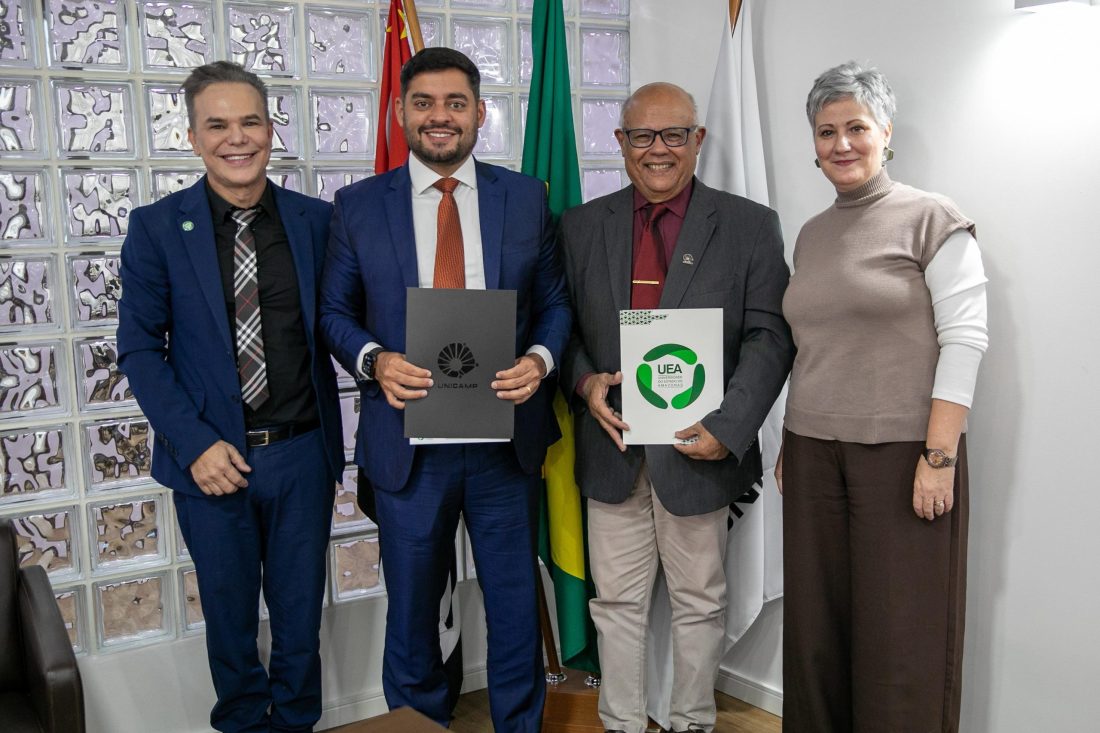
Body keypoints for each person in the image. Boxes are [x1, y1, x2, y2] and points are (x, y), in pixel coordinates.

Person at [319, 47, 570, 732]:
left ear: (479, 113)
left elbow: (554, 303)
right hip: (409, 445)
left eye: (456, 103)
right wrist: (375, 360)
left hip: (504, 443)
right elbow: (334, 312)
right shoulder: (358, 206)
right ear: (401, 112)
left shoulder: (527, 198)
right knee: (412, 613)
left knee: (515, 609)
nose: (440, 116)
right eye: (424, 102)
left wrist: (540, 360)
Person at [559, 82, 794, 733]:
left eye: (674, 134)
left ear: (698, 140)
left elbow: (770, 336)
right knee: (615, 604)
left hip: (700, 449)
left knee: (699, 603)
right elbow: (561, 327)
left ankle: (692, 722)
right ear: (621, 142)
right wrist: (583, 382)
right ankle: (622, 724)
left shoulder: (749, 225)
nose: (657, 149)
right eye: (642, 135)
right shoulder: (580, 226)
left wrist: (729, 426)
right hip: (613, 446)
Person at [117, 61, 344, 733]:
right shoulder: (158, 227)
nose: (236, 138)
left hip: (301, 455)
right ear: (192, 137)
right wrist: (194, 444)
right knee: (230, 623)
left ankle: (297, 723)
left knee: (300, 621)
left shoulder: (317, 222)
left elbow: (348, 320)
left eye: (250, 121)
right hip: (211, 463)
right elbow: (139, 350)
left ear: (271, 130)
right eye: (217, 125)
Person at [777, 62, 989, 732]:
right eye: (826, 131)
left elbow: (965, 340)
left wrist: (940, 456)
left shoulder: (932, 219)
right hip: (811, 453)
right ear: (814, 144)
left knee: (901, 636)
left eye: (857, 127)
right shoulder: (811, 233)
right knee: (816, 632)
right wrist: (788, 442)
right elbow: (812, 346)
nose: (841, 143)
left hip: (903, 457)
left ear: (886, 132)